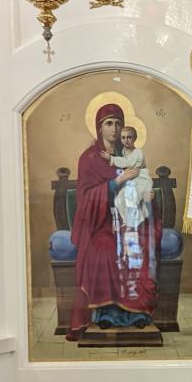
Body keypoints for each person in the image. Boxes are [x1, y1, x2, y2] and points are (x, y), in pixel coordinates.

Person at [67, 102, 158, 340]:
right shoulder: (88, 159)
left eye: (118, 123)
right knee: (107, 250)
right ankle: (106, 314)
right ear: (99, 128)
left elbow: (144, 179)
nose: (114, 129)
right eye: (109, 123)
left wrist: (148, 194)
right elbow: (85, 200)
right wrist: (116, 183)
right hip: (100, 225)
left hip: (131, 220)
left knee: (138, 247)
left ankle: (137, 314)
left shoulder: (130, 154)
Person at [102, 124, 153, 230]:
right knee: (120, 198)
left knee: (132, 197)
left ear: (134, 139)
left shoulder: (138, 152)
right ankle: (127, 221)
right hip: (132, 180)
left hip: (141, 180)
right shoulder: (123, 152)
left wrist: (111, 159)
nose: (126, 140)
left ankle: (135, 223)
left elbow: (128, 163)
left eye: (129, 137)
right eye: (123, 137)